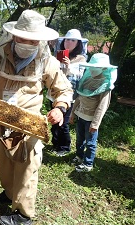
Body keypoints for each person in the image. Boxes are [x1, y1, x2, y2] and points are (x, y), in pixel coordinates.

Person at [0, 10, 73, 225]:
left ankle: (24, 215)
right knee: (4, 163)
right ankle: (10, 193)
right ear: (14, 36)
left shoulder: (47, 61)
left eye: (33, 40)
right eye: (24, 39)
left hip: (29, 126)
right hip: (2, 119)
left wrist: (59, 108)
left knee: (27, 166)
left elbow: (64, 91)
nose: (28, 43)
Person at [69, 53, 117, 172]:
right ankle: (79, 156)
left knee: (90, 142)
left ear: (104, 68)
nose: (92, 69)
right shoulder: (88, 78)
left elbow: (102, 106)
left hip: (91, 119)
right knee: (80, 139)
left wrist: (95, 124)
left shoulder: (106, 84)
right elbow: (79, 97)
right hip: (81, 115)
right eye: (92, 66)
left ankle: (88, 164)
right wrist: (72, 113)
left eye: (96, 67)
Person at [49, 29, 88, 157]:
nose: (69, 42)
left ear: (78, 43)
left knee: (63, 123)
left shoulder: (81, 58)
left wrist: (69, 65)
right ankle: (55, 143)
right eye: (67, 39)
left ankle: (64, 147)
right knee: (53, 120)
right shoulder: (57, 55)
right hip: (54, 93)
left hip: (68, 96)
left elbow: (80, 76)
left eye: (72, 40)